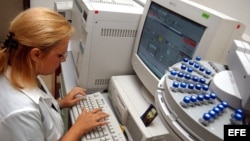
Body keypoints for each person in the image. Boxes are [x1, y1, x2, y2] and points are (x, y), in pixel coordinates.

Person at [0, 7, 109, 141]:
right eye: (60, 55)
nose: (63, 59)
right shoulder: (21, 112)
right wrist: (78, 128)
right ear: (36, 54)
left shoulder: (21, 70)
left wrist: (60, 103)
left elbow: (41, 114)